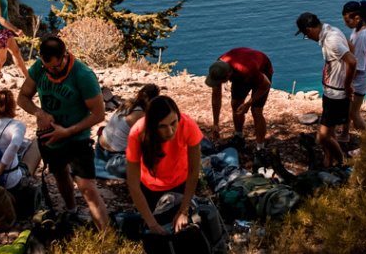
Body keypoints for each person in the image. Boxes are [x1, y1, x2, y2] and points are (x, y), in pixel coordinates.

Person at [18, 35, 109, 231]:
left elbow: (99, 114)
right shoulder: (39, 68)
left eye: (56, 67)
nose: (52, 71)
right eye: (48, 67)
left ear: (65, 56)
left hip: (77, 136)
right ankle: (71, 211)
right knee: (59, 175)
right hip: (50, 136)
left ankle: (107, 236)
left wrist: (68, 131)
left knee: (87, 187)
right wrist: (38, 112)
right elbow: (23, 97)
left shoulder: (83, 75)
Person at [126, 94, 204, 237]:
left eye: (173, 123)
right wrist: (152, 224)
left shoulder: (188, 124)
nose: (170, 131)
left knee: (184, 230)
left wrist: (183, 210)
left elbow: (194, 170)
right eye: (162, 126)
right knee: (155, 231)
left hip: (180, 183)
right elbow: (133, 184)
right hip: (150, 188)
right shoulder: (137, 133)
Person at [295, 12, 355, 167]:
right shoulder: (331, 29)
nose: (309, 39)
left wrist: (347, 84)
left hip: (337, 95)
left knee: (322, 137)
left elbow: (352, 61)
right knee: (331, 130)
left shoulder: (331, 41)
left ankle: (342, 164)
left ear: (308, 30)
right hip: (331, 92)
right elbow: (352, 48)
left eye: (306, 35)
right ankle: (328, 162)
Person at [205, 48, 273, 145]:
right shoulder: (217, 68)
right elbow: (216, 95)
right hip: (240, 70)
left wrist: (248, 104)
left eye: (220, 82)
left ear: (228, 76)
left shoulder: (248, 70)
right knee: (236, 105)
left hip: (262, 70)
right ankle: (239, 137)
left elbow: (266, 85)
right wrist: (215, 124)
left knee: (256, 110)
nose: (218, 84)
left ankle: (260, 148)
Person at [0, 88, 38, 188]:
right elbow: (14, 145)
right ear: (12, 106)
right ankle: (29, 179)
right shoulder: (18, 125)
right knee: (36, 143)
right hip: (9, 180)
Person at [341, 1, 366, 136]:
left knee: (354, 113)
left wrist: (347, 83)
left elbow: (358, 65)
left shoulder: (362, 37)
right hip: (358, 81)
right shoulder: (359, 31)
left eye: (347, 21)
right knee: (347, 111)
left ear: (357, 18)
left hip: (359, 83)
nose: (346, 24)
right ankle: (344, 135)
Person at [103, 83, 161, 154]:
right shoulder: (140, 116)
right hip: (116, 154)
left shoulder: (128, 104)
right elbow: (148, 141)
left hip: (101, 145)